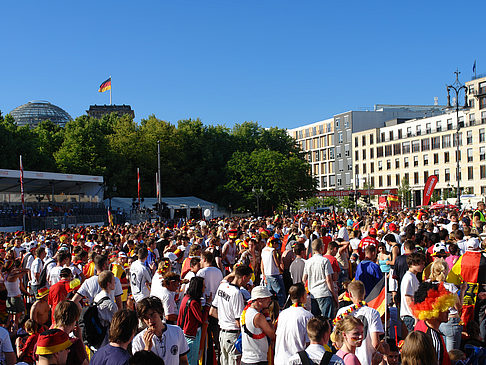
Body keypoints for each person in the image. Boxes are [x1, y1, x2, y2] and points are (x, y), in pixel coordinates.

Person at [209, 265, 252, 365]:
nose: (248, 282)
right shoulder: (236, 293)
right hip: (233, 335)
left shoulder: (222, 286)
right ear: (244, 277)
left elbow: (212, 311)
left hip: (222, 333)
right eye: (248, 279)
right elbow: (239, 321)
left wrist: (224, 319)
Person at [335, 280, 384, 365]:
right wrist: (384, 351)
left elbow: (336, 341)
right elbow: (375, 343)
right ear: (364, 293)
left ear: (349, 294)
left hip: (344, 359)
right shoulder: (373, 312)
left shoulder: (341, 312)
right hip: (367, 360)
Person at [132, 296, 189, 365]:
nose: (150, 321)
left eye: (152, 315)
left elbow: (183, 361)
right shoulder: (138, 340)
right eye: (146, 318)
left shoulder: (177, 331)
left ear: (160, 313)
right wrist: (147, 349)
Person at [412, 281, 455, 365]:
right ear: (433, 311)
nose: (448, 311)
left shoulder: (421, 326)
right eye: (443, 307)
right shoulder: (432, 338)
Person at [428, 259, 463, 351]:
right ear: (445, 271)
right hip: (451, 320)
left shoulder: (428, 285)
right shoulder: (449, 287)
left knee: (439, 352)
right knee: (452, 355)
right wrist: (462, 291)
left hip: (435, 321)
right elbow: (458, 307)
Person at [274, 283, 314, 365]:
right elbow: (310, 342)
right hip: (296, 360)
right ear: (303, 296)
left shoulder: (282, 314)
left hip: (280, 360)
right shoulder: (307, 316)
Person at [240, 286, 276, 365]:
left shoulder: (245, 312)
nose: (270, 300)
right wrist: (267, 315)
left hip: (246, 359)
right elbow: (272, 334)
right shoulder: (258, 316)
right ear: (260, 300)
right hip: (257, 360)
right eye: (267, 298)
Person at [302, 238, 337, 318]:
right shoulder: (325, 261)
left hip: (313, 294)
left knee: (316, 321)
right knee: (327, 320)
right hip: (324, 293)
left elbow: (304, 279)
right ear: (321, 248)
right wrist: (334, 295)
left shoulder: (308, 261)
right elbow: (328, 280)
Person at [177, 276, 206, 365]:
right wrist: (207, 305)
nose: (205, 288)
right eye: (203, 286)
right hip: (191, 335)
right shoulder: (193, 303)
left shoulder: (186, 298)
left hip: (184, 333)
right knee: (191, 361)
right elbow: (202, 319)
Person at [52, 300, 88, 365]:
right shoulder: (74, 343)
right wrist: (80, 338)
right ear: (76, 319)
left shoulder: (44, 338)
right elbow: (86, 363)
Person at [400, 252, 426, 332]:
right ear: (414, 264)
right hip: (410, 316)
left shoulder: (412, 277)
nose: (423, 266)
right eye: (421, 263)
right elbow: (408, 298)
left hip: (411, 316)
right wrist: (415, 316)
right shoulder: (409, 278)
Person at [94, 270, 118, 347]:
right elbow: (115, 325)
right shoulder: (110, 304)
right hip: (104, 340)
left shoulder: (97, 296)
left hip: (97, 336)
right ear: (108, 284)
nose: (115, 283)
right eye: (113, 281)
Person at [261, 236, 286, 307]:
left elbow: (262, 263)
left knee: (270, 293)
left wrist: (263, 274)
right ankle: (281, 306)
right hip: (274, 274)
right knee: (280, 292)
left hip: (267, 274)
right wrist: (281, 270)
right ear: (274, 243)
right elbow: (277, 263)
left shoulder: (264, 250)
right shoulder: (273, 251)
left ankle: (270, 307)